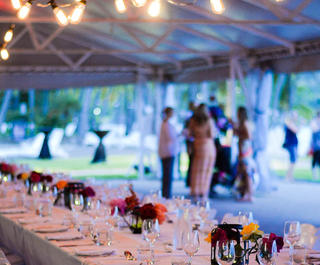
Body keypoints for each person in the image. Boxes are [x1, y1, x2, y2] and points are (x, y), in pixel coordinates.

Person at [187, 104, 216, 199]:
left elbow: (190, 134)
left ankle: (195, 193)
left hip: (197, 145)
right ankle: (204, 194)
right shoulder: (209, 120)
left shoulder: (193, 121)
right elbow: (212, 134)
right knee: (207, 170)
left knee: (196, 170)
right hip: (208, 146)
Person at [233, 106, 254, 202]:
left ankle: (249, 194)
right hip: (242, 149)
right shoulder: (242, 123)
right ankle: (245, 193)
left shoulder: (245, 123)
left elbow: (248, 136)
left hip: (245, 150)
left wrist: (240, 134)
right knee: (242, 172)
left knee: (247, 172)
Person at [158, 107, 178, 198]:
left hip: (167, 151)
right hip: (168, 152)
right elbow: (171, 138)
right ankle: (166, 194)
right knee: (167, 174)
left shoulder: (166, 124)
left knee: (167, 174)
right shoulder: (166, 125)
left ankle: (166, 193)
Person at [283, 111, 299, 181]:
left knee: (293, 160)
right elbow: (296, 130)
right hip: (291, 144)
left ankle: (290, 176)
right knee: (293, 160)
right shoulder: (289, 123)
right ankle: (288, 176)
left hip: (293, 143)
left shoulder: (290, 123)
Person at [184, 101, 196, 187]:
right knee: (191, 162)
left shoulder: (193, 118)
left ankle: (190, 181)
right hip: (191, 143)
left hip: (194, 143)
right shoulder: (190, 118)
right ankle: (189, 181)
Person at [310, 111, 320, 179]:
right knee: (315, 157)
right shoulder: (314, 121)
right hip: (316, 144)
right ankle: (314, 173)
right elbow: (314, 129)